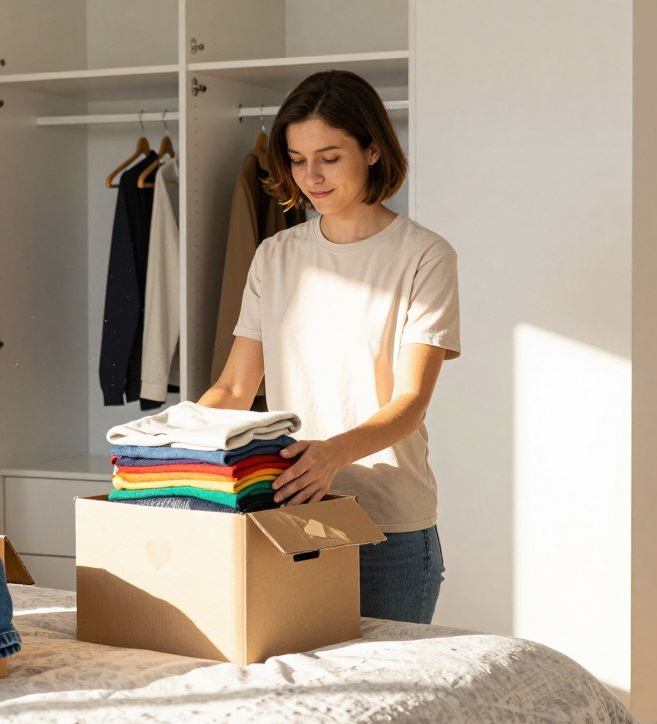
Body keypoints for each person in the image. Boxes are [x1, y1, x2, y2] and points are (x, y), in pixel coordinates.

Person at [197, 70, 462, 625]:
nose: (310, 176)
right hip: (297, 512)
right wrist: (169, 452)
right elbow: (235, 387)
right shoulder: (275, 255)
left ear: (372, 150)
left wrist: (334, 453)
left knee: (395, 700)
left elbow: (410, 402)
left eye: (329, 157)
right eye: (296, 159)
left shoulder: (424, 256)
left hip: (391, 526)